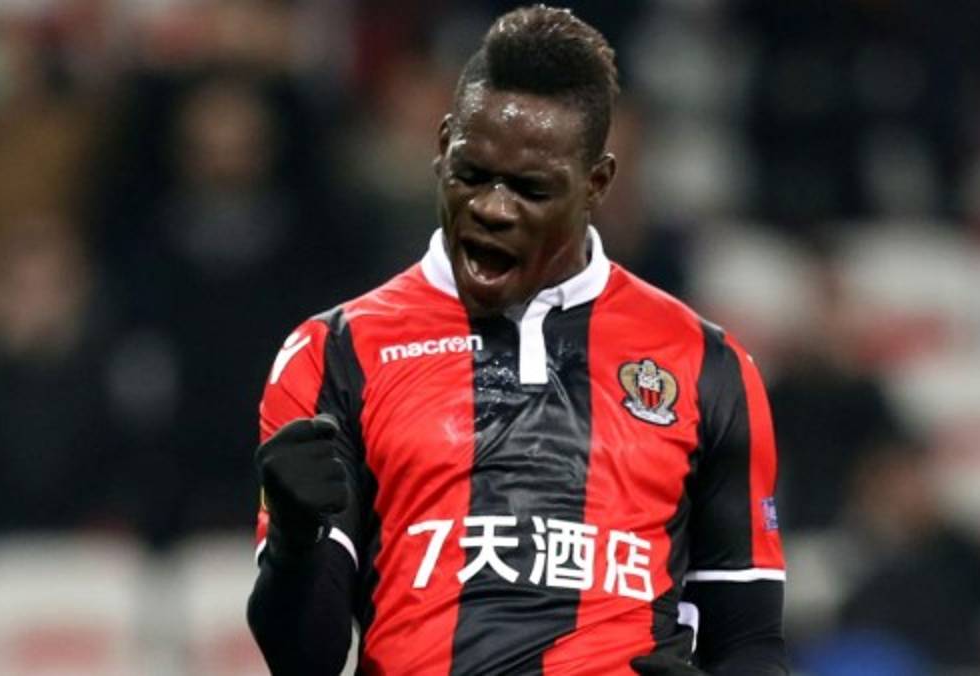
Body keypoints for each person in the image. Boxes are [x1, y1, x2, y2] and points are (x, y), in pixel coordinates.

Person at [247, 6, 787, 674]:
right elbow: (305, 661)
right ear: (443, 144)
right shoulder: (335, 353)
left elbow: (750, 642)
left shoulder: (705, 365)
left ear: (596, 183)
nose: (492, 208)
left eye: (531, 189)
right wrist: (296, 543)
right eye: (472, 174)